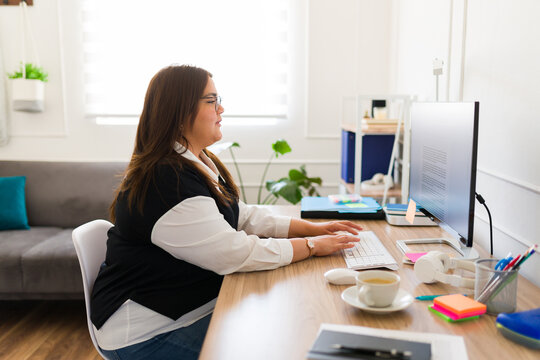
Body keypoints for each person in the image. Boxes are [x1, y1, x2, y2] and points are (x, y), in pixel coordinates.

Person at [90, 64, 362, 360]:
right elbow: (233, 253)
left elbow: (241, 216)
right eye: (211, 100)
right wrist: (311, 247)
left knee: (288, 323)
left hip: (185, 310)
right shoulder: (166, 180)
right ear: (179, 112)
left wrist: (313, 230)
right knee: (284, 343)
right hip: (145, 334)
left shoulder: (195, 161)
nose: (221, 109)